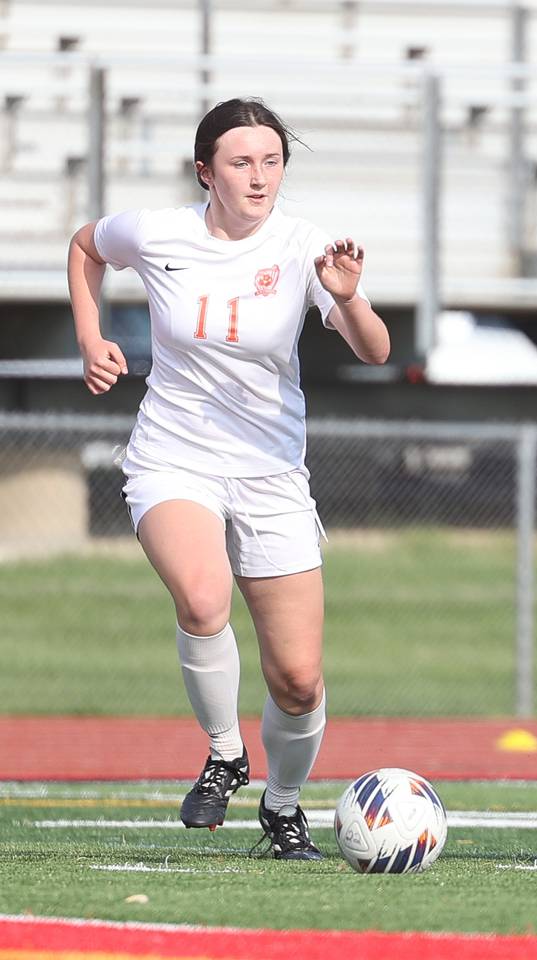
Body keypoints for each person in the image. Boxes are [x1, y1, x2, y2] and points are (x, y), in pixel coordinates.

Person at [67, 98, 390, 860]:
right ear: (205, 171)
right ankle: (223, 753)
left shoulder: (306, 246)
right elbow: (86, 247)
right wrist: (91, 335)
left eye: (272, 162)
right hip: (173, 455)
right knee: (204, 596)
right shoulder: (157, 231)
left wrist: (345, 296)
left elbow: (375, 350)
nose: (259, 177)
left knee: (300, 681)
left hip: (271, 472)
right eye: (241, 163)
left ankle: (282, 809)